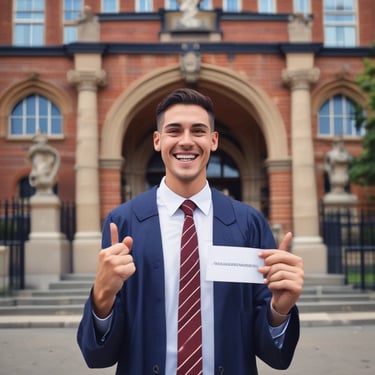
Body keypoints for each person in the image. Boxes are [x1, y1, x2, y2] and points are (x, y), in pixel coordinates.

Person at [77, 88, 304, 374]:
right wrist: (102, 298)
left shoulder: (248, 224)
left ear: (213, 140)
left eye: (198, 131)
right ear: (158, 141)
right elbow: (98, 358)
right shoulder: (123, 222)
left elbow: (274, 355)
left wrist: (279, 311)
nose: (186, 141)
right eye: (174, 131)